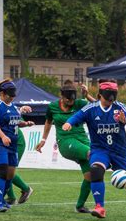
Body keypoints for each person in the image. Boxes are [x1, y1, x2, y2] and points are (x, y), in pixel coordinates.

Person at [62, 80, 126, 219]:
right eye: (107, 97)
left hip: (120, 151)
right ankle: (100, 207)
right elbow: (76, 116)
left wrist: (125, 121)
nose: (110, 100)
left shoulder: (120, 107)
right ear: (99, 95)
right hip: (100, 149)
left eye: (112, 97)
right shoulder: (91, 109)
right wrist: (68, 123)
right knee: (96, 171)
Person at [36, 80, 96, 213]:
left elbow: (99, 106)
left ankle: (80, 206)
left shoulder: (79, 103)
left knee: (90, 176)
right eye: (68, 99)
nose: (71, 102)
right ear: (61, 96)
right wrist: (43, 139)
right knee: (93, 155)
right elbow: (48, 121)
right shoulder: (52, 107)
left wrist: (87, 95)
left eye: (72, 99)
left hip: (83, 140)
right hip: (65, 141)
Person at [0, 79, 34, 212]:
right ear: (2, 93)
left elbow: (15, 121)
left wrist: (25, 123)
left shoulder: (13, 106)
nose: (12, 97)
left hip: (12, 145)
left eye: (13, 94)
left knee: (10, 174)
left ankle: (3, 200)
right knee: (2, 171)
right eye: (9, 94)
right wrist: (3, 136)